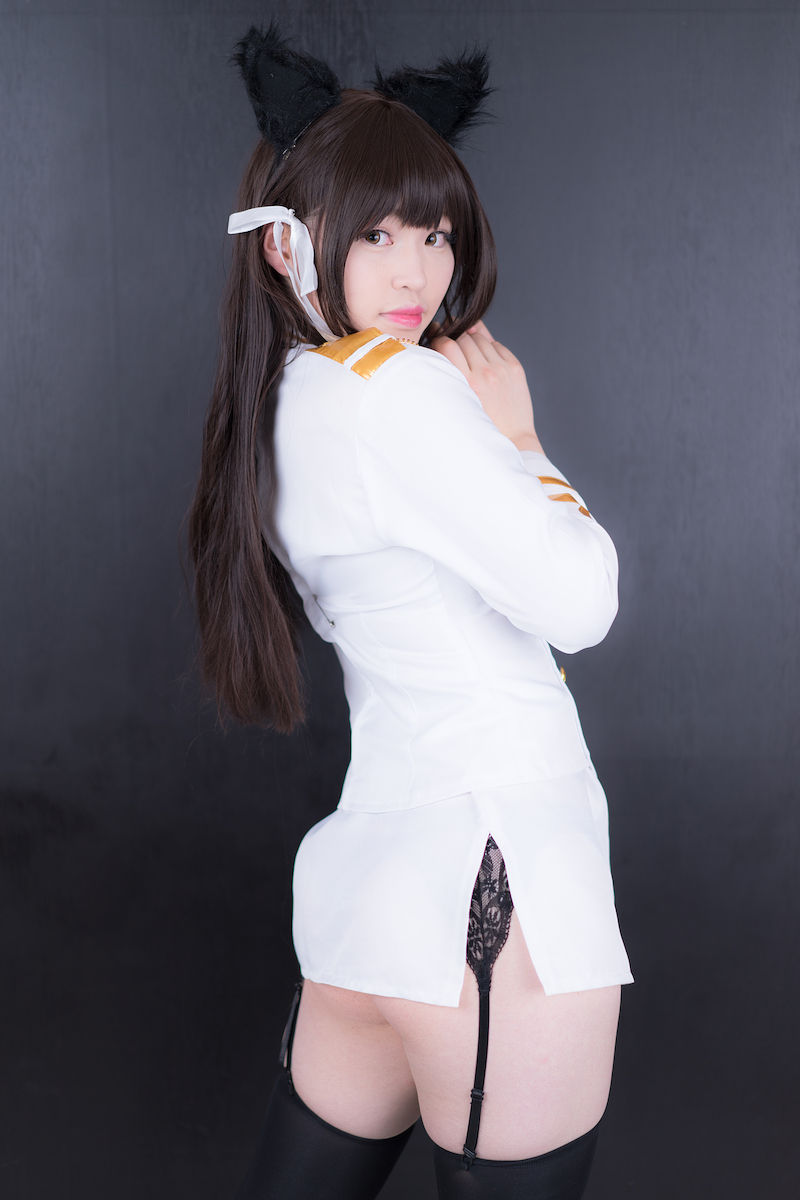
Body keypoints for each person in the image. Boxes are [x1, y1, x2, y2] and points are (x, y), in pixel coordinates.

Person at [188, 22, 633, 1200]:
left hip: (371, 885)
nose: (414, 274)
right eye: (376, 234)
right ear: (285, 242)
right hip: (497, 886)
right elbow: (580, 602)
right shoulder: (398, 392)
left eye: (432, 234)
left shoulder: (285, 397)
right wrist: (524, 442)